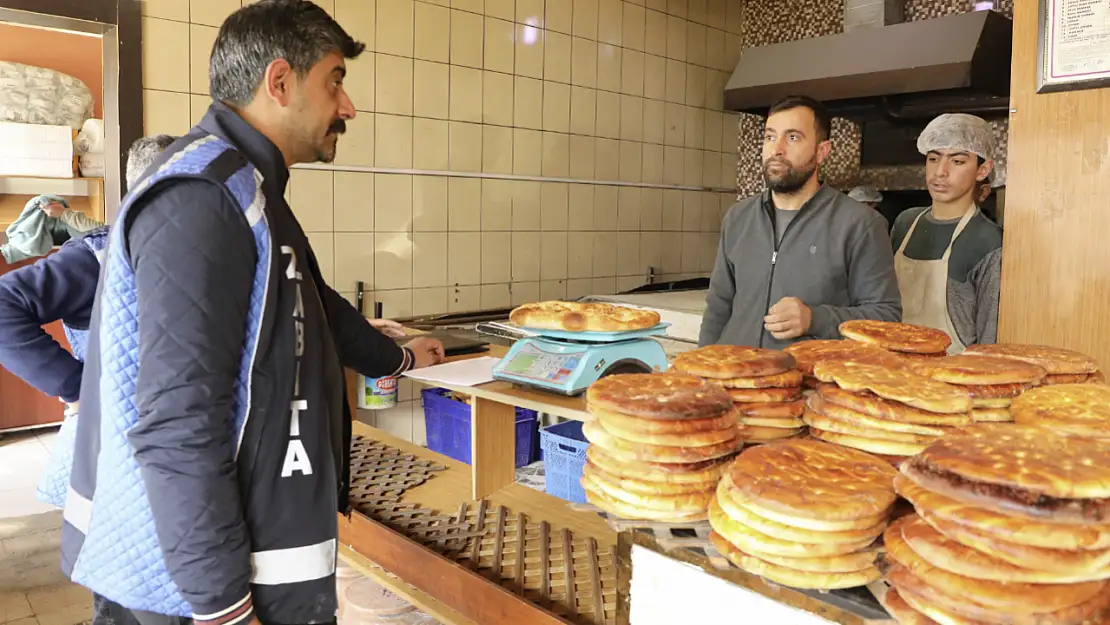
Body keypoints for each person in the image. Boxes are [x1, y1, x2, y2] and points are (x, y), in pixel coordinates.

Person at [57, 3, 445, 625]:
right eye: (336, 80)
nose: (348, 107)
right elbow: (178, 423)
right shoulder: (201, 200)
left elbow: (315, 304)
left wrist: (400, 355)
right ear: (281, 82)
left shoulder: (250, 190)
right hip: (180, 588)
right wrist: (224, 607)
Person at [699, 95, 902, 349]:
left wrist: (815, 319)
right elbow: (718, 306)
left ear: (821, 152)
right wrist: (701, 367)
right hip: (735, 376)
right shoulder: (738, 218)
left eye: (793, 137)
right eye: (770, 136)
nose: (777, 149)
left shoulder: (861, 224)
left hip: (806, 382)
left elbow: (887, 317)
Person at [891, 113, 1002, 352]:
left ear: (983, 170)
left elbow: (989, 340)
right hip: (891, 369)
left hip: (953, 376)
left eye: (957, 161)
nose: (940, 171)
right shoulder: (905, 224)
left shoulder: (988, 240)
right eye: (933, 158)